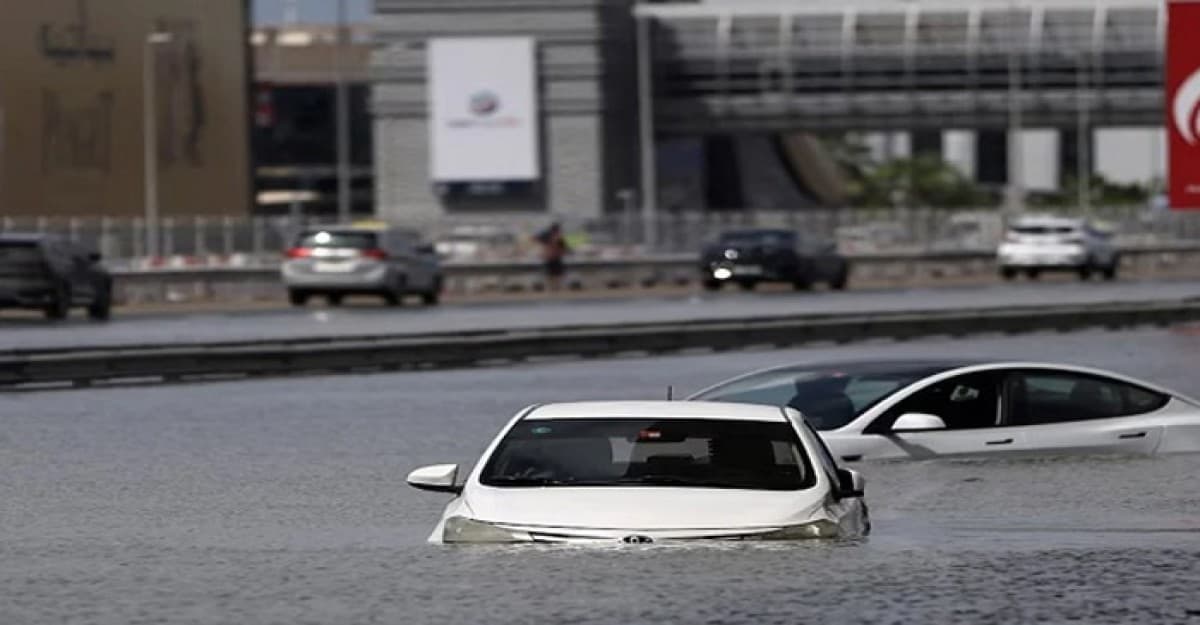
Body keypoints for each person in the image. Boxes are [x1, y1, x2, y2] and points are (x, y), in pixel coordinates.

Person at [536, 222, 570, 291]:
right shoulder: (558, 238)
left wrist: (544, 253)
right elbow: (565, 249)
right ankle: (556, 288)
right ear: (557, 230)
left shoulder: (548, 237)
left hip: (550, 258)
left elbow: (563, 249)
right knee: (556, 275)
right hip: (555, 258)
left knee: (552, 275)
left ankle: (553, 288)